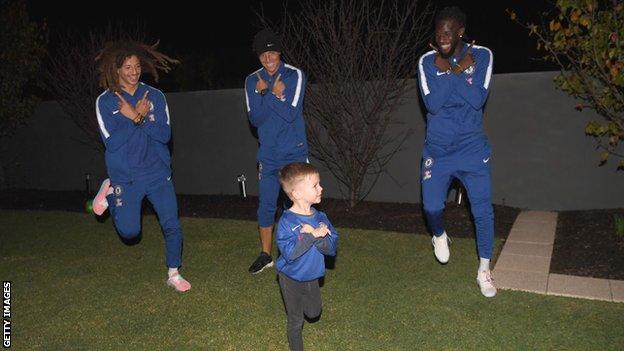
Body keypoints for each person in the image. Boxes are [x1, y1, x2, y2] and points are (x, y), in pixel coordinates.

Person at [91, 40, 191, 292]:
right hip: (127, 177)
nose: (134, 71)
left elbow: (164, 135)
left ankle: (173, 273)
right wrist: (132, 117)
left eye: (136, 66)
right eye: (127, 67)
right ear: (116, 70)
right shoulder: (105, 101)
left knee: (172, 224)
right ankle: (111, 193)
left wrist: (138, 117)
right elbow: (111, 144)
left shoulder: (155, 96)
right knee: (129, 232)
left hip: (157, 173)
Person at [417, 6, 497, 297]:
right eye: (439, 32)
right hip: (437, 151)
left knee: (482, 210)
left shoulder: (483, 55)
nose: (442, 37)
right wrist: (457, 71)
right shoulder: (426, 61)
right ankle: (439, 235)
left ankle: (484, 270)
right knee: (431, 207)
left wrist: (449, 71)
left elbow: (477, 99)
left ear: (460, 31)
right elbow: (434, 104)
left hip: (472, 149)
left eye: (448, 32)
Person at [244, 28, 309, 274]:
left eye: (272, 52)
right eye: (263, 54)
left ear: (279, 52)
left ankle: (303, 250)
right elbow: (255, 118)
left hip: (293, 153)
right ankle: (265, 255)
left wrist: (266, 96)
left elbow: (291, 113)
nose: (268, 58)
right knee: (266, 206)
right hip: (268, 156)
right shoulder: (252, 81)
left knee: (299, 203)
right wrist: (270, 93)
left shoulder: (294, 75)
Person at [275, 162, 338, 351]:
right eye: (315, 186)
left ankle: (302, 302)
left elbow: (331, 249)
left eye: (319, 184)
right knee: (295, 321)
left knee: (313, 312)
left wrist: (318, 236)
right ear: (297, 194)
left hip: (311, 276)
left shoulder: (321, 218)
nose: (321, 188)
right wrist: (310, 236)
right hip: (290, 277)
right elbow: (290, 254)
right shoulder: (287, 222)